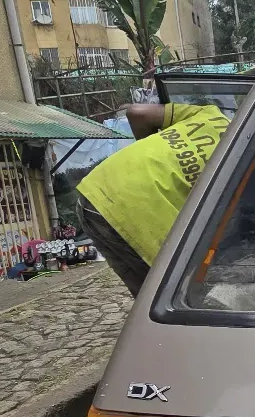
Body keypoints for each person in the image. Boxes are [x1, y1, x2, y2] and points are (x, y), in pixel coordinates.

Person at [75, 100, 230, 297]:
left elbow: (137, 112)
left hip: (94, 191)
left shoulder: (210, 114)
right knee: (180, 298)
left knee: (149, 301)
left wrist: (149, 167)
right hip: (139, 210)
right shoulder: (249, 162)